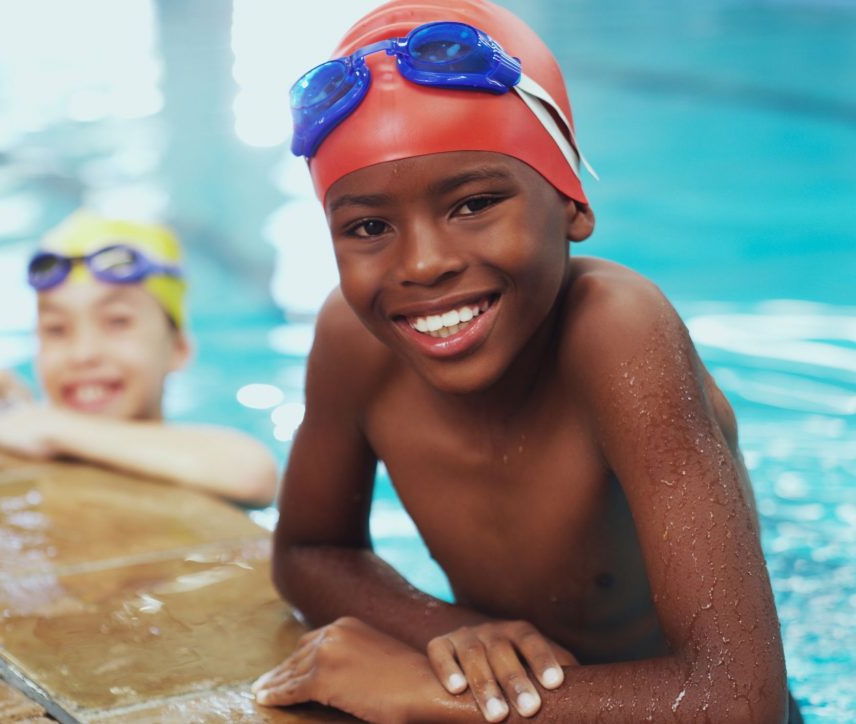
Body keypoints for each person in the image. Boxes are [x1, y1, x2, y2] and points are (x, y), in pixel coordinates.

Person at [253, 0, 799, 721]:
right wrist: (454, 637)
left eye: (474, 203)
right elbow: (310, 552)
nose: (422, 264)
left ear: (570, 200)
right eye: (369, 226)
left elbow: (741, 700)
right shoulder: (355, 342)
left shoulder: (616, 334)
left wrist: (421, 692)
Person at [0, 210, 278, 508]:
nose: (83, 354)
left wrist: (55, 427)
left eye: (117, 322)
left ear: (179, 349)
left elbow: (253, 474)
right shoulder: (41, 428)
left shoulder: (208, 462)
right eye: (56, 329)